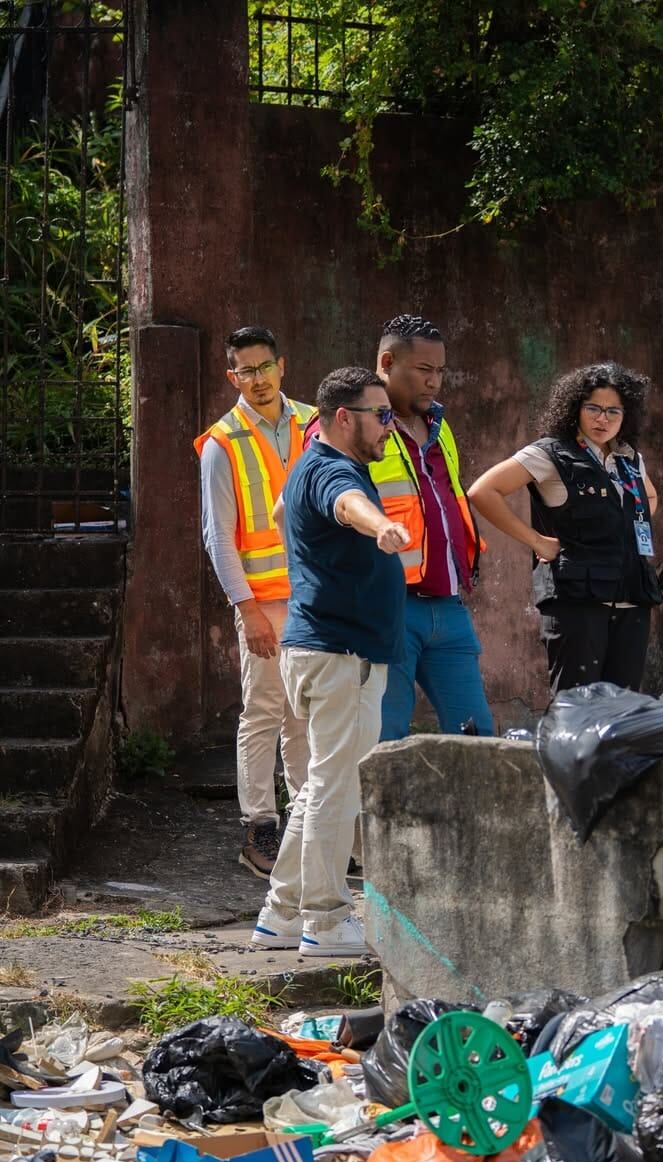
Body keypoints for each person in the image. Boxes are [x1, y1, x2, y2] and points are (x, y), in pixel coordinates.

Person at [250, 366, 409, 958]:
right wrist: (382, 524)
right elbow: (347, 506)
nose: (389, 427)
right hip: (339, 654)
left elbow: (286, 510)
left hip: (328, 650)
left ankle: (280, 912)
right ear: (345, 417)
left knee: (323, 785)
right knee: (334, 789)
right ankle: (324, 918)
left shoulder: (308, 467)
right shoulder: (333, 470)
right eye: (381, 415)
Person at [194, 327, 315, 878]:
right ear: (232, 377)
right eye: (246, 370)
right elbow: (218, 537)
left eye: (265, 366)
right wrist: (245, 610)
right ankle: (259, 828)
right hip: (264, 604)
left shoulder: (316, 422)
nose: (258, 379)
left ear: (282, 365)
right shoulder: (223, 441)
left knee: (304, 716)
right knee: (264, 713)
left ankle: (308, 823)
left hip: (315, 598)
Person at [468, 362, 662, 694]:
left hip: (632, 596)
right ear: (575, 407)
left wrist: (625, 526)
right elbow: (482, 491)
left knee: (622, 710)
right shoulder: (550, 453)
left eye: (613, 411)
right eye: (594, 409)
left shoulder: (629, 458)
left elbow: (650, 496)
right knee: (577, 707)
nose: (603, 419)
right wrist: (537, 542)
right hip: (577, 600)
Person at [367, 314, 493, 739]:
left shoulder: (440, 427)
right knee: (384, 741)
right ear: (387, 362)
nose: (435, 382)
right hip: (387, 608)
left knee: (479, 737)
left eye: (440, 371)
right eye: (424, 370)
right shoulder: (349, 424)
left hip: (449, 607)